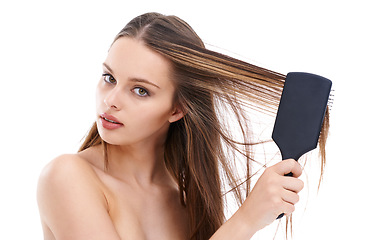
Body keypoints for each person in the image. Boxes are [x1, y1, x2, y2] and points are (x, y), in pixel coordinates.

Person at [37, 12, 329, 240]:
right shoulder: (67, 177)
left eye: (140, 90)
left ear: (177, 109)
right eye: (109, 78)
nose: (110, 101)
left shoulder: (185, 199)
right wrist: (246, 220)